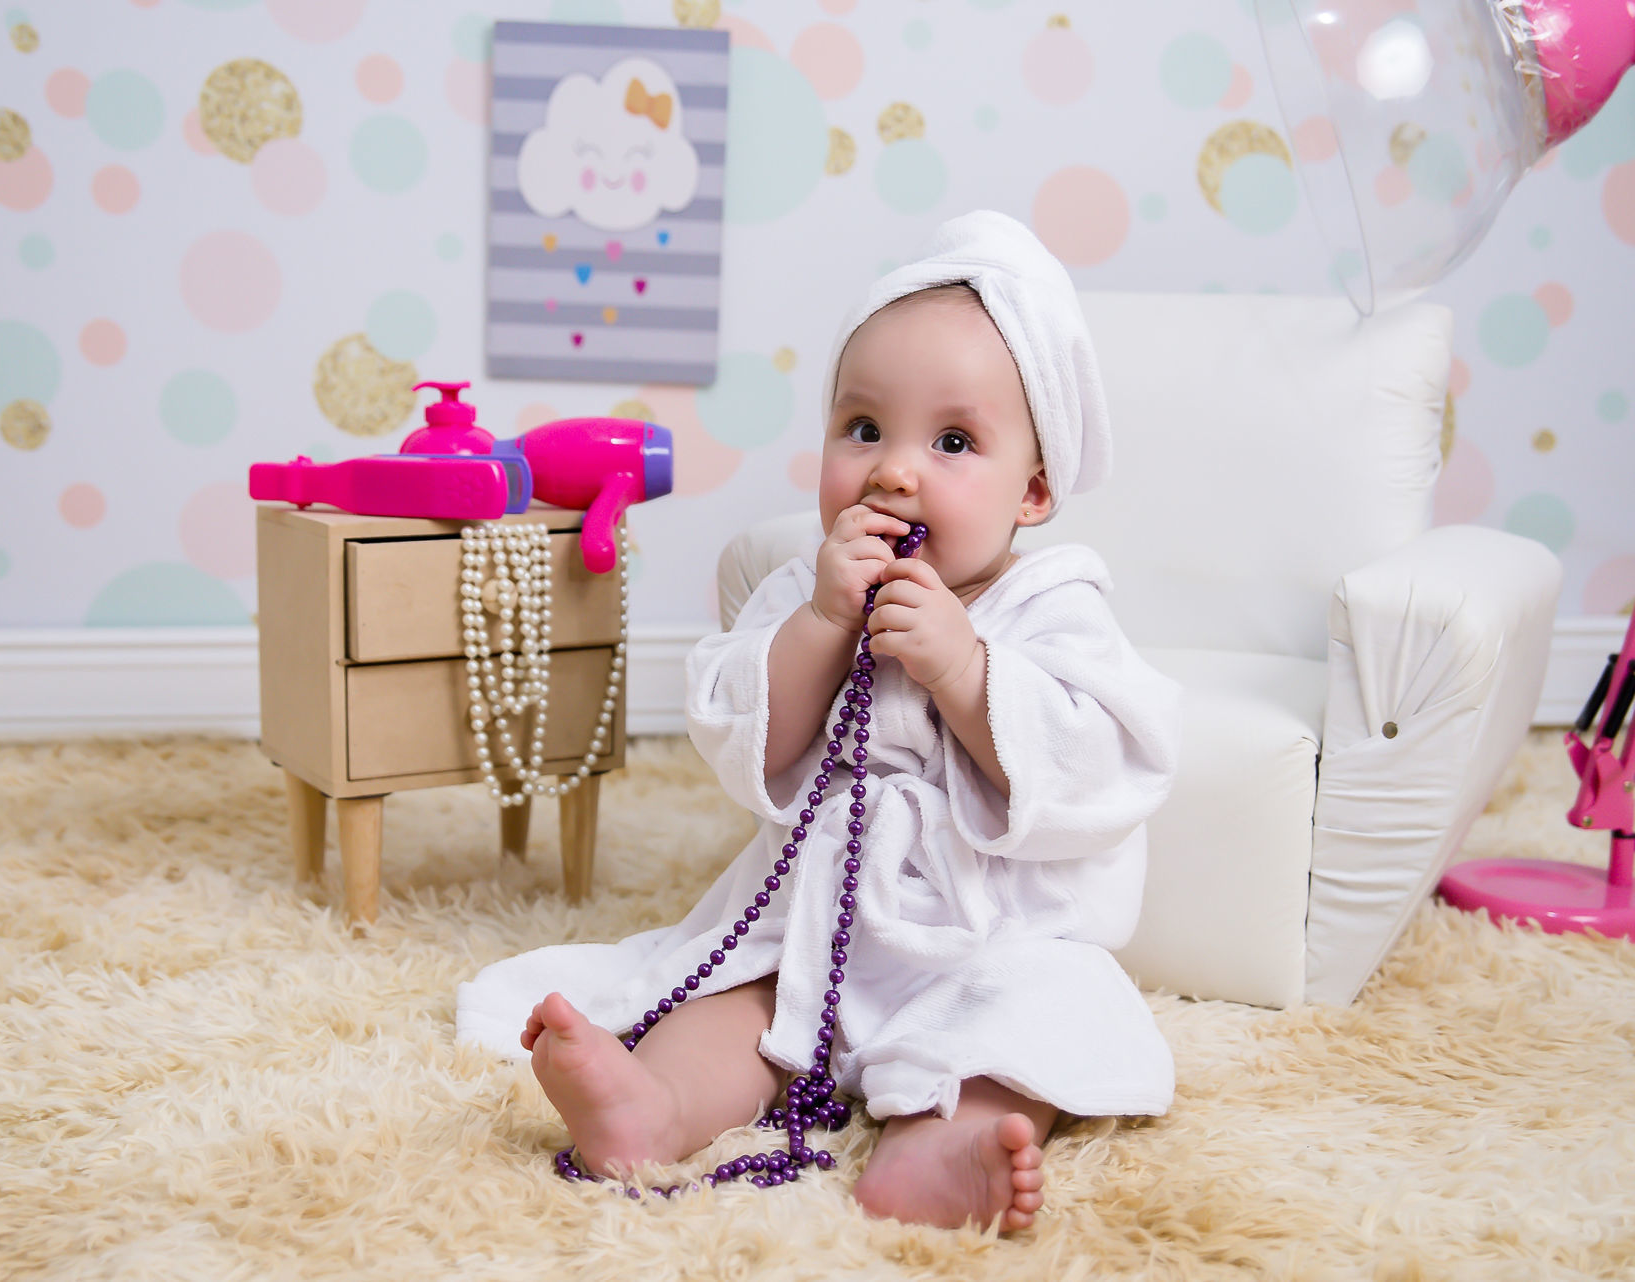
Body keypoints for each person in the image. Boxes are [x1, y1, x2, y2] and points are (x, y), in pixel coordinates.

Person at [456, 210, 1180, 1232]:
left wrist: (966, 670)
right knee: (737, 1003)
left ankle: (940, 1149)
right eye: (864, 428)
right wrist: (821, 626)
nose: (894, 470)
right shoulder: (811, 584)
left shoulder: (1054, 604)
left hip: (984, 937)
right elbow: (746, 731)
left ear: (1033, 490)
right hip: (815, 926)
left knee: (1037, 1017)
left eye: (954, 442)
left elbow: (1104, 760)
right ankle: (653, 1106)